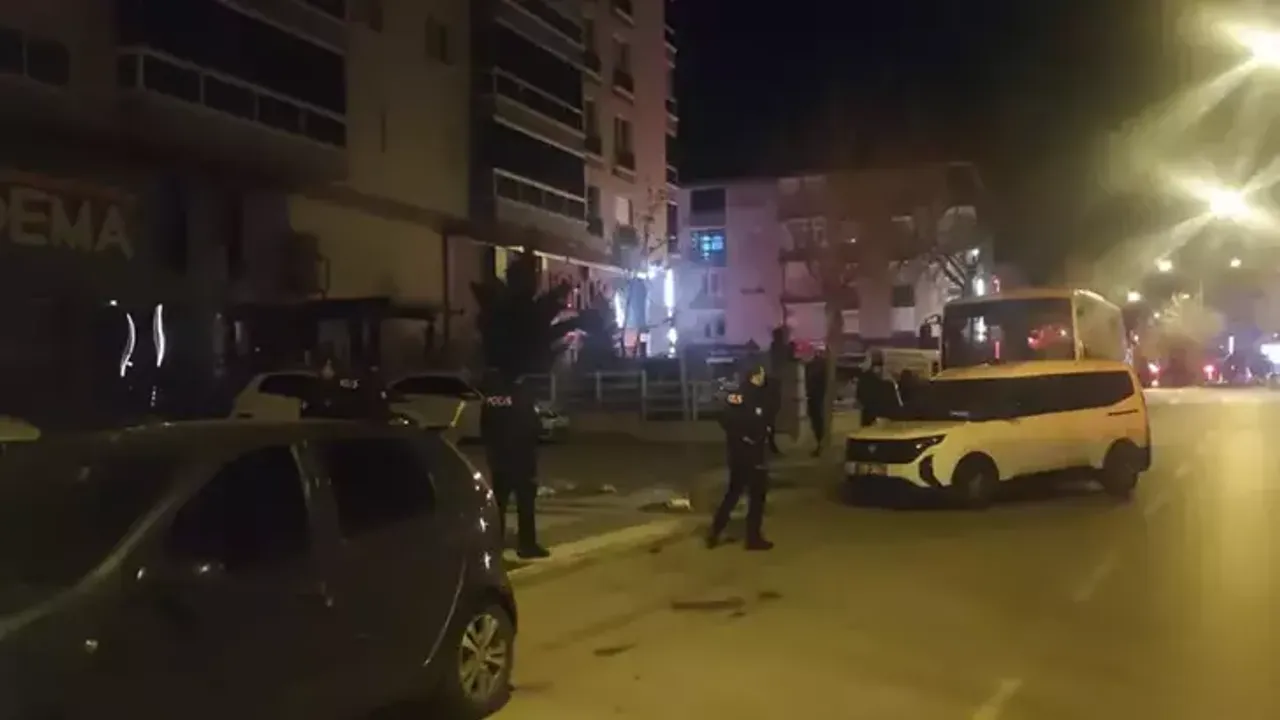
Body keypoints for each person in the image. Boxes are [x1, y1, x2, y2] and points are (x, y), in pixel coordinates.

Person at [480, 369, 549, 559]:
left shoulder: (491, 398)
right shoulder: (522, 395)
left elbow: (485, 427)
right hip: (522, 459)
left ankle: (495, 545)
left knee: (499, 505)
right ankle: (527, 545)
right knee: (525, 504)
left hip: (499, 459)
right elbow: (533, 426)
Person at [706, 360, 774, 551]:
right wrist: (749, 437)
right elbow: (747, 421)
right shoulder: (751, 396)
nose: (763, 378)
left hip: (738, 454)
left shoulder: (740, 394)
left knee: (734, 493)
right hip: (752, 454)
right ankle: (753, 538)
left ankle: (715, 532)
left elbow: (726, 418)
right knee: (756, 497)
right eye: (761, 374)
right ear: (754, 376)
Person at [805, 349, 828, 456]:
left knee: (817, 421)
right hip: (815, 397)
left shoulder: (817, 366)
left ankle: (820, 444)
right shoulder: (819, 365)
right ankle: (820, 444)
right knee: (817, 421)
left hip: (816, 397)